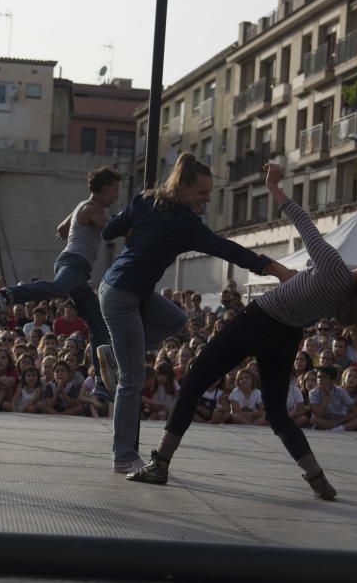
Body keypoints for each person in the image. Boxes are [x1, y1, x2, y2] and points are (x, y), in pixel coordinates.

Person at [129, 162, 357, 500]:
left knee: (192, 385)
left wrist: (275, 186)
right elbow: (307, 291)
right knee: (277, 413)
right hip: (286, 336)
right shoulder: (348, 303)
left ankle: (160, 463)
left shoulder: (336, 270)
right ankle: (317, 478)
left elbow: (305, 225)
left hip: (258, 321)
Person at [97, 153, 290, 474]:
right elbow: (227, 249)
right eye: (202, 192)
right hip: (120, 296)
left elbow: (110, 231)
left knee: (176, 319)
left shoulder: (146, 202)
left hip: (128, 291)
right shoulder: (184, 224)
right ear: (184, 187)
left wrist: (133, 219)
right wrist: (273, 267)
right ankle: (123, 455)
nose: (207, 198)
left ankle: (115, 354)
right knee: (131, 379)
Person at [0, 167, 121, 393]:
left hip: (78, 268)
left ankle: (101, 381)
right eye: (115, 191)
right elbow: (112, 230)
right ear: (105, 188)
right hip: (74, 263)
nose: (116, 196)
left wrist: (73, 234)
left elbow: (62, 227)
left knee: (98, 323)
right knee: (58, 288)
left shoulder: (81, 206)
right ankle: (5, 295)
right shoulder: (93, 209)